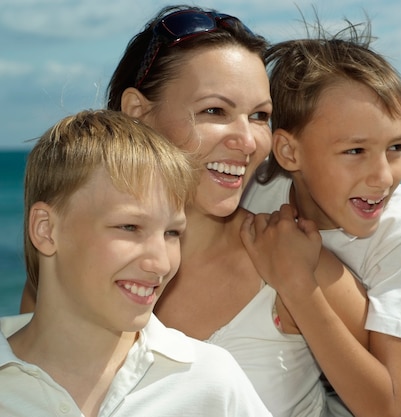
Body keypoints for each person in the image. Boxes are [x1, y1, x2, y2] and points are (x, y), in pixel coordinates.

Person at [21, 5, 368, 417]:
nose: (248, 140)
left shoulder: (294, 261)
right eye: (214, 111)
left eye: (259, 116)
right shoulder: (72, 275)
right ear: (137, 112)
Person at [240, 21, 401, 417]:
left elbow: (387, 407)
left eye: (396, 147)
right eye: (356, 150)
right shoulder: (259, 187)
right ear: (288, 153)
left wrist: (299, 284)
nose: (383, 176)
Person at [2, 109, 271, 417]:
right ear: (45, 229)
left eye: (172, 233)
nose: (160, 264)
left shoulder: (209, 383)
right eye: (129, 227)